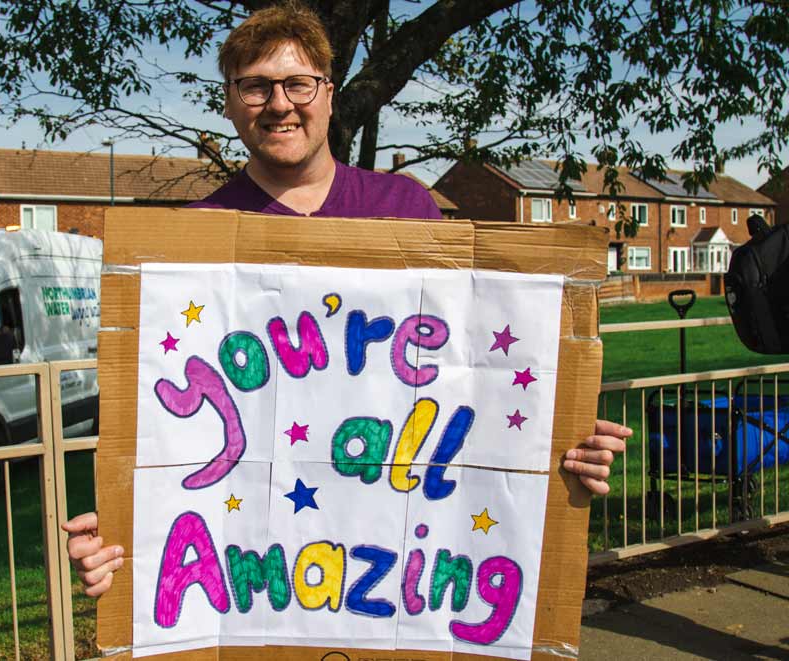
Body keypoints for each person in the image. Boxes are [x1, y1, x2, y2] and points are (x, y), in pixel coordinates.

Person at [63, 1, 630, 598]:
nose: (279, 103)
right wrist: (124, 529)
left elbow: (468, 376)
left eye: (298, 84)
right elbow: (163, 426)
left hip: (395, 572)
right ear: (230, 103)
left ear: (329, 94)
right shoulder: (192, 246)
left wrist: (558, 435)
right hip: (259, 576)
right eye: (255, 87)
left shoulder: (407, 211)